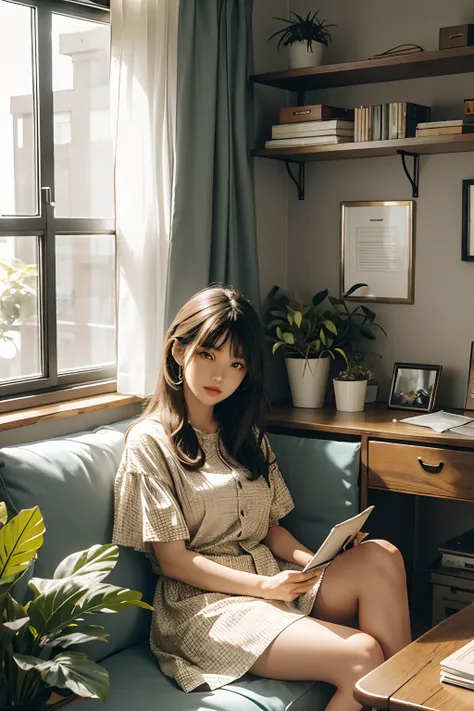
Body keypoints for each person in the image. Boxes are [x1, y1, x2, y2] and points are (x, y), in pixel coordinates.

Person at [112, 285, 411, 711]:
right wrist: (265, 587)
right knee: (363, 656)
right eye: (207, 355)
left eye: (236, 364)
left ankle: (405, 702)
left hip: (270, 579)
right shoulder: (149, 443)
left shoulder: (244, 434)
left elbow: (270, 529)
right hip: (205, 609)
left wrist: (317, 562)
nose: (220, 376)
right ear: (178, 352)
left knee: (382, 555)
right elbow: (172, 561)